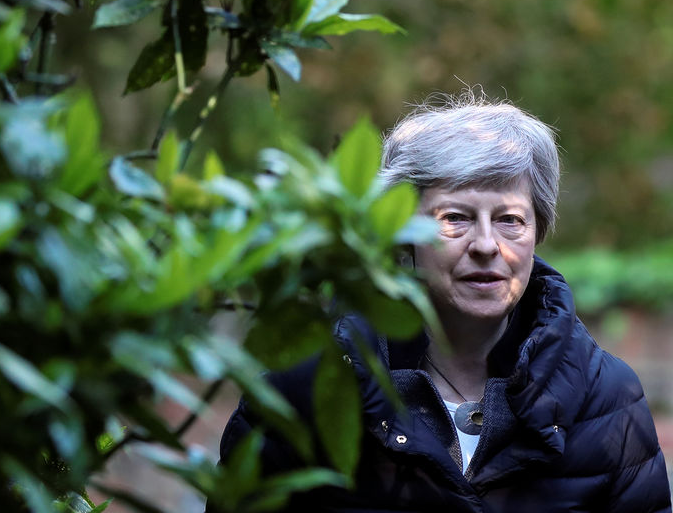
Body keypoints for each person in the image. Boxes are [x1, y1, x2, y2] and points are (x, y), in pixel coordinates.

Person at [213, 91, 672, 512]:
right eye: (455, 218)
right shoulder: (305, 386)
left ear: (538, 233)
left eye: (510, 219)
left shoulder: (607, 396)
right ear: (403, 233)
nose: (487, 245)